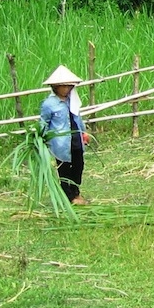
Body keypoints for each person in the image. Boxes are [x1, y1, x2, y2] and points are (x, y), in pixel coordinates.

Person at [39, 65, 90, 205]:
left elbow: (77, 118)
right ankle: (70, 197)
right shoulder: (49, 104)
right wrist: (40, 140)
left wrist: (84, 132)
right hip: (61, 143)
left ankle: (75, 191)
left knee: (78, 166)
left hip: (76, 139)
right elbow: (44, 123)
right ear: (55, 87)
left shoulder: (72, 101)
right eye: (64, 86)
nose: (67, 89)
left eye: (69, 86)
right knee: (65, 170)